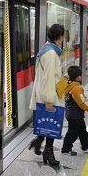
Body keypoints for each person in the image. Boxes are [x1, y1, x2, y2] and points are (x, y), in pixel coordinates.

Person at [29, 24, 65, 166]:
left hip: (46, 91)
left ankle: (38, 143)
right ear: (60, 37)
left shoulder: (47, 48)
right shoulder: (50, 54)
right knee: (52, 125)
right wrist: (49, 100)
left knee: (48, 123)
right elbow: (49, 77)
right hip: (50, 94)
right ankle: (48, 152)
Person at [61, 66, 88, 156]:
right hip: (75, 115)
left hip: (73, 114)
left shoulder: (69, 84)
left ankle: (86, 146)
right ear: (78, 77)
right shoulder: (77, 89)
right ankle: (65, 149)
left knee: (82, 131)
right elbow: (82, 103)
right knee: (72, 133)